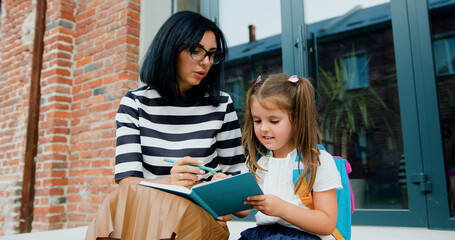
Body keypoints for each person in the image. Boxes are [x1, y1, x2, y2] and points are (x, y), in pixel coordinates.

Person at [86, 11, 246, 240]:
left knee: (182, 215)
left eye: (212, 54)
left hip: (199, 219)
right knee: (115, 203)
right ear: (170, 49)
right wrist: (172, 181)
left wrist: (219, 189)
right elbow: (128, 184)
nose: (206, 62)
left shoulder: (221, 105)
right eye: (196, 50)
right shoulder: (135, 103)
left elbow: (243, 205)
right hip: (149, 217)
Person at [238, 73, 342, 240]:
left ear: (297, 120)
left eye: (273, 121)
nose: (263, 128)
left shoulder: (317, 161)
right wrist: (225, 189)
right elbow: (243, 210)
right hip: (262, 235)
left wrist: (282, 209)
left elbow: (327, 224)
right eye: (257, 121)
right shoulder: (260, 163)